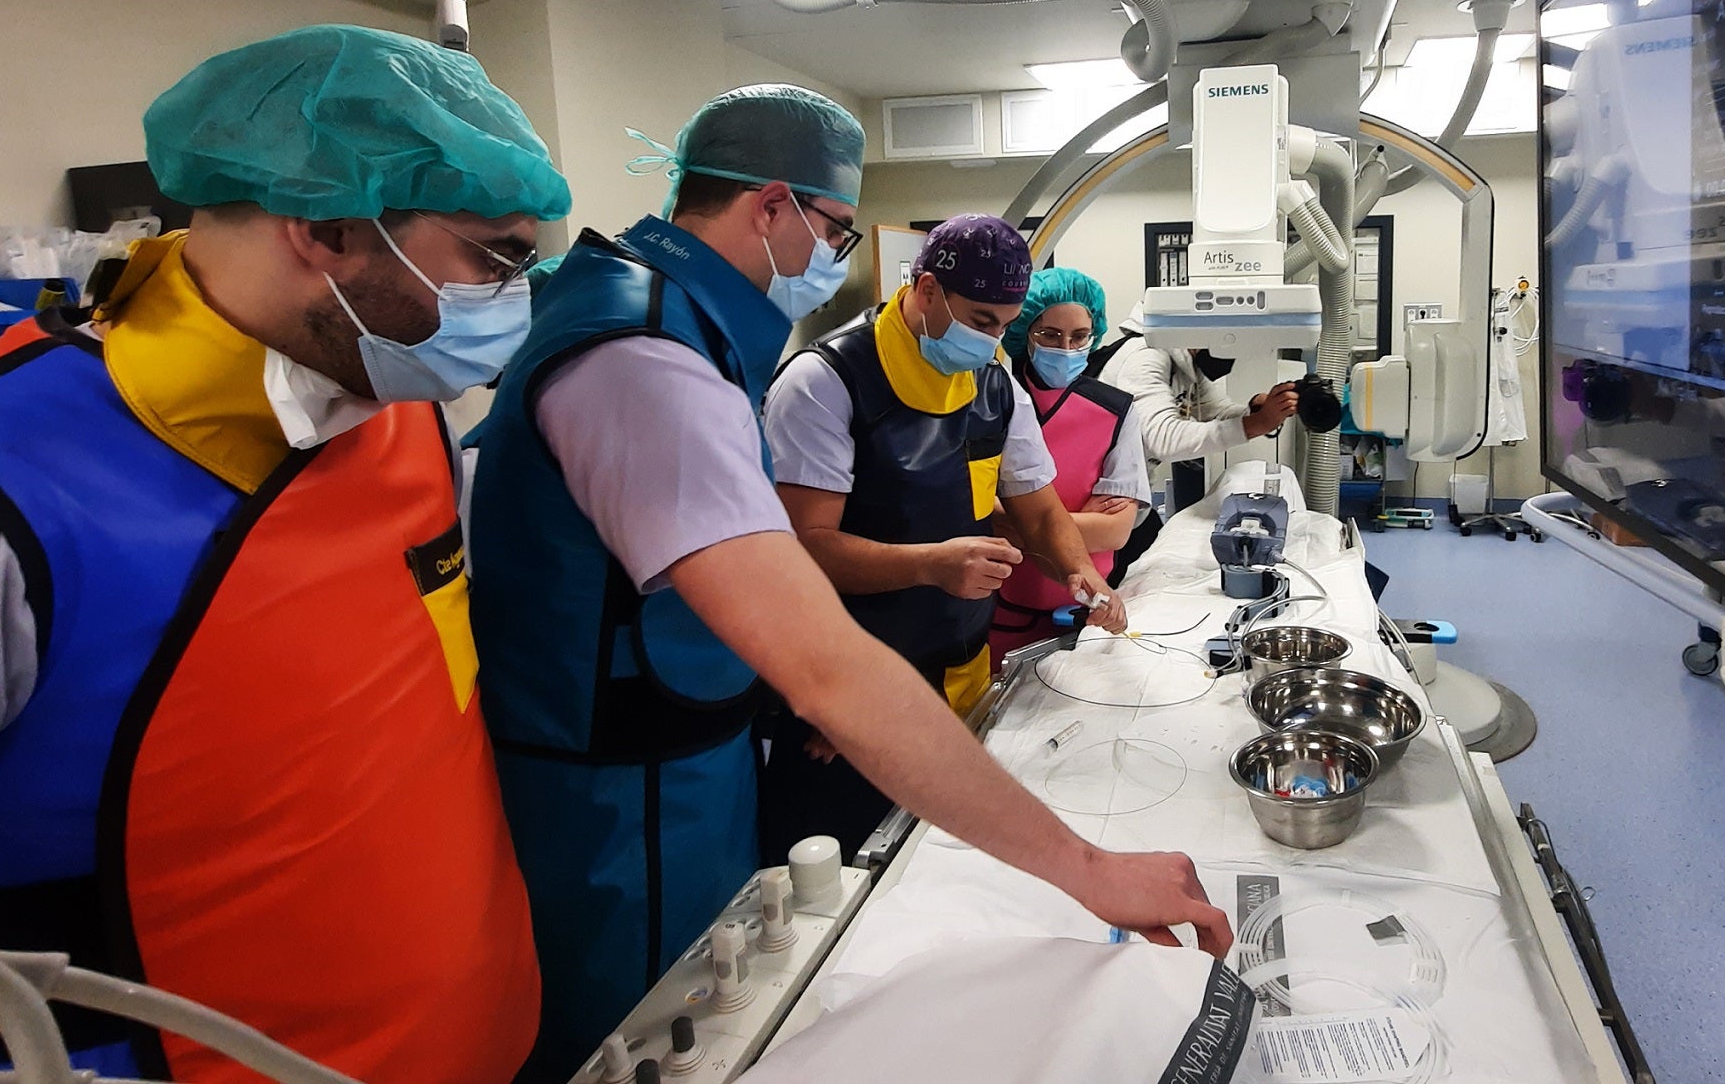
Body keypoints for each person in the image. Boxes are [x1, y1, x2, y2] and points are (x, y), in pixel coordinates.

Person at [466, 100, 1226, 1082]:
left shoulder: (667, 321)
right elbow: (820, 650)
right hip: (624, 793)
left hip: (685, 745)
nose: (834, 255)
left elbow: (1026, 507)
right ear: (772, 207)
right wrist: (1088, 869)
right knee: (649, 1036)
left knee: (722, 999)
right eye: (833, 231)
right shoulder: (649, 359)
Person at [0, 26, 562, 1084]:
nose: (518, 297)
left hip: (475, 1035)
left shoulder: (395, 408)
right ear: (326, 226)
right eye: (497, 259)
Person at [762, 214, 1128, 856]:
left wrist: (1081, 572)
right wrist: (931, 564)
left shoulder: (995, 384)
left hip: (960, 666)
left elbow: (1040, 511)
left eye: (1005, 326)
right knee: (845, 868)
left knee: (939, 858)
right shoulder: (826, 383)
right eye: (981, 320)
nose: (991, 341)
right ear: (926, 289)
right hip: (850, 687)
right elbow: (803, 548)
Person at [989, 267, 1148, 663]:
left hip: (1087, 613)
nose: (1065, 348)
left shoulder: (1116, 411)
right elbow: (976, 514)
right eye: (1050, 335)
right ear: (1024, 332)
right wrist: (1081, 522)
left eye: (1079, 337)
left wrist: (1019, 524)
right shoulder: (992, 400)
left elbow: (1116, 532)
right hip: (996, 613)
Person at [1096, 301, 1304, 564]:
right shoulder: (1145, 357)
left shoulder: (1186, 364)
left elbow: (1216, 411)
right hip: (1103, 499)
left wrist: (1256, 410)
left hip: (1132, 496)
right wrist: (1257, 424)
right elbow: (1163, 439)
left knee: (1149, 547)